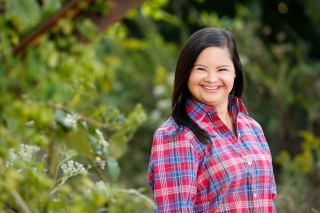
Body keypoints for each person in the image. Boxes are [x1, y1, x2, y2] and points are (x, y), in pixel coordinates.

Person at [147, 28, 277, 213]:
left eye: (222, 69)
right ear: (186, 73)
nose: (211, 78)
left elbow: (268, 201)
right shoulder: (176, 136)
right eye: (201, 69)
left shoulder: (252, 128)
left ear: (235, 72)